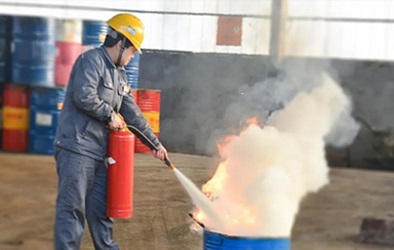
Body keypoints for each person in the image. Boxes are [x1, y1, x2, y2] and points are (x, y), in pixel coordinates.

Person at [53, 13, 169, 250]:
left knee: (101, 211)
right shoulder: (90, 61)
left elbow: (133, 113)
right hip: (77, 147)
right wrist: (110, 114)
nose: (133, 55)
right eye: (133, 50)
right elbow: (84, 95)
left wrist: (155, 144)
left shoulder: (119, 75)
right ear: (120, 43)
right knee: (72, 211)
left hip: (99, 153)